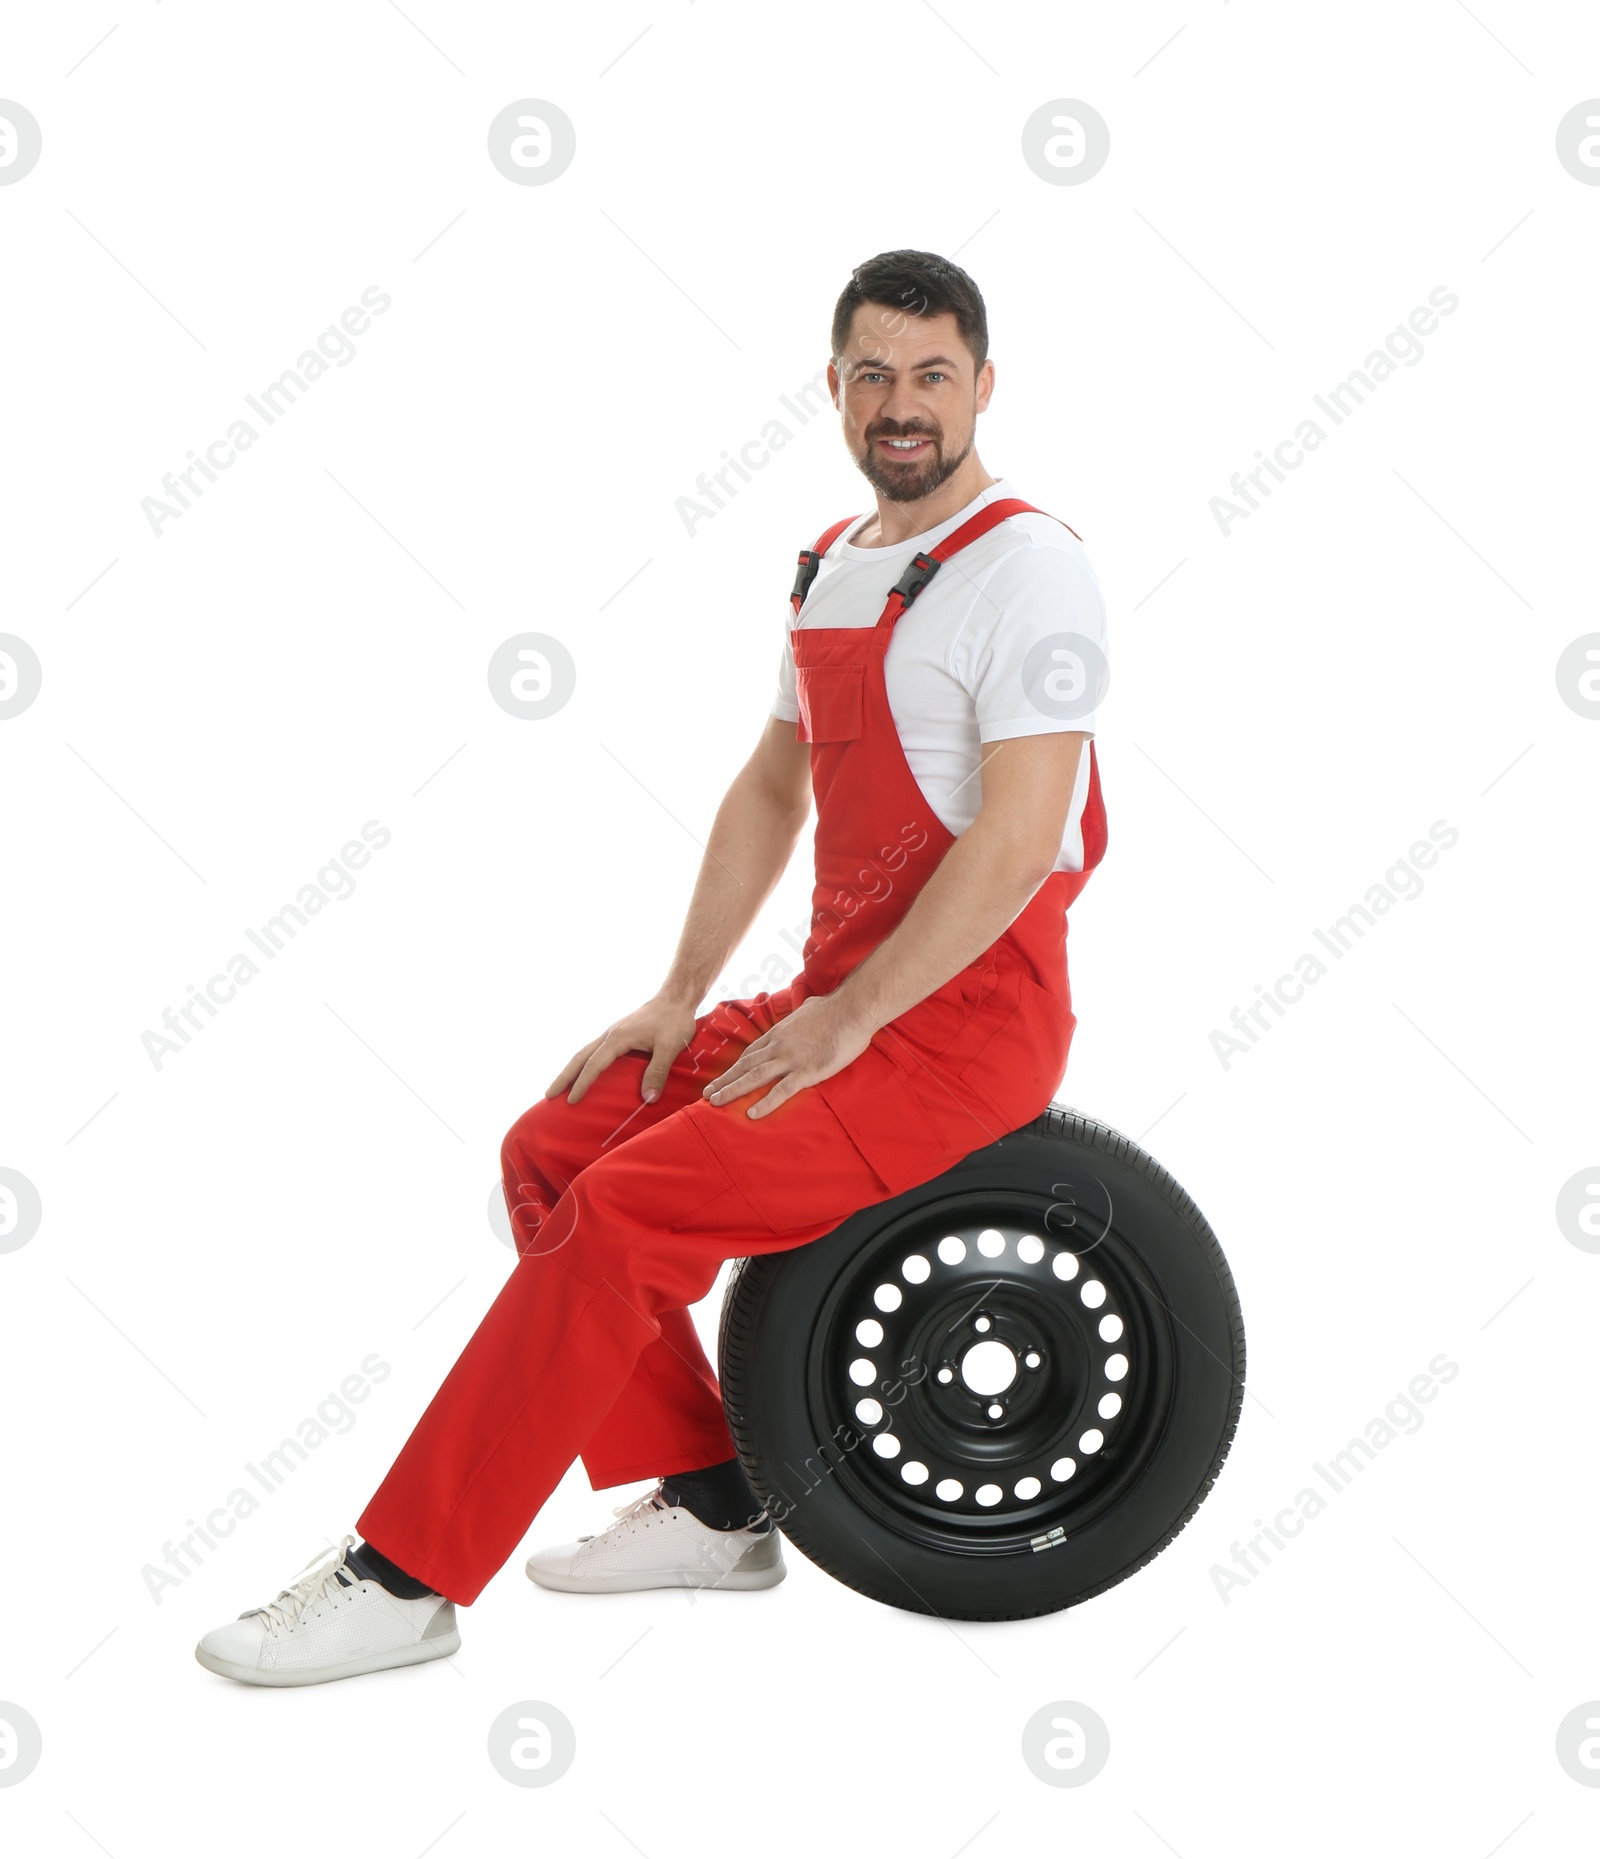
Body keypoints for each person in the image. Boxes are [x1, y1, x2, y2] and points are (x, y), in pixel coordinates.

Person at [195, 248, 1109, 1686]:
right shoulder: (835, 567)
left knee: (622, 1217)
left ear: (983, 387)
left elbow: (1019, 838)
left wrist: (853, 1021)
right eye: (873, 372)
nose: (902, 403)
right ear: (835, 388)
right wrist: (680, 997)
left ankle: (406, 1576)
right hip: (840, 1005)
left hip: (958, 1027)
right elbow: (770, 788)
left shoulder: (1029, 567)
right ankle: (715, 1499)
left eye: (933, 374)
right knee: (560, 1145)